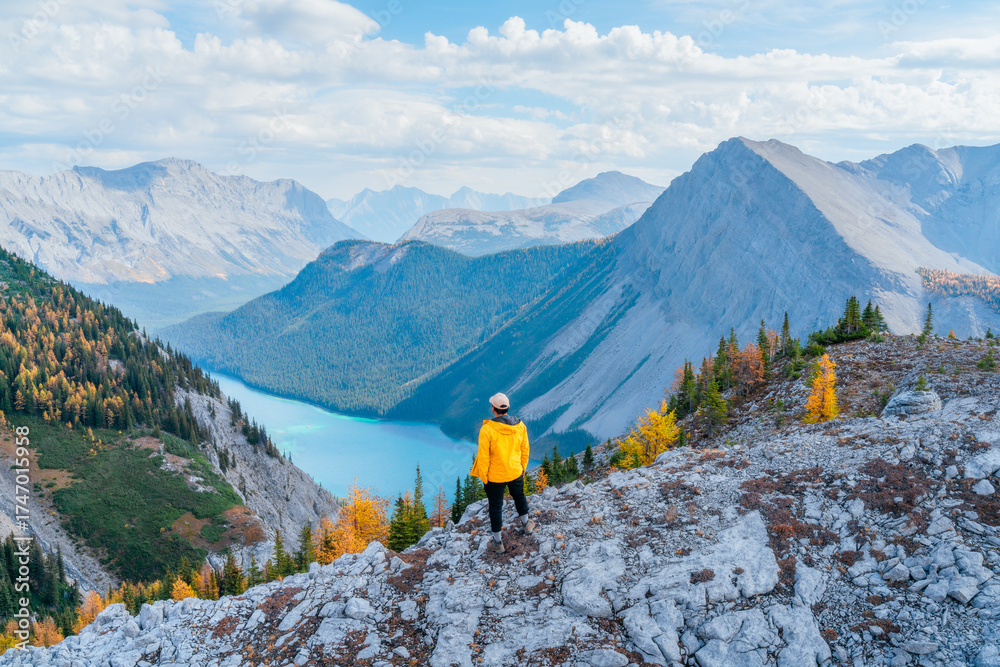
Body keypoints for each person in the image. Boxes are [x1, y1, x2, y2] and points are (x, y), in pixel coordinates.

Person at [471, 392, 535, 553]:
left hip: (494, 476)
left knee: (495, 506)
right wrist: (522, 468)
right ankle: (527, 525)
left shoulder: (487, 429)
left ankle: (497, 542)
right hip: (514, 471)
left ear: (493, 409)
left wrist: (484, 477)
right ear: (507, 408)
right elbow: (524, 450)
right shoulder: (520, 426)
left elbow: (483, 456)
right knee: (519, 496)